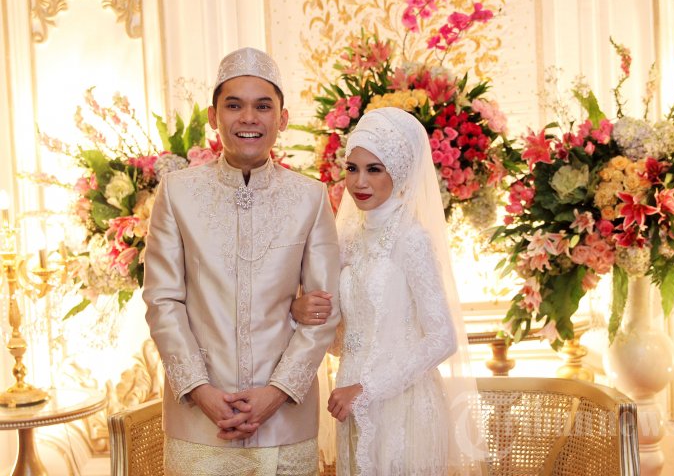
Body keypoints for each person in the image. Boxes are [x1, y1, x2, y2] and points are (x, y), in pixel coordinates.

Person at [143, 47, 341, 475]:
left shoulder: (310, 197)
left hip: (285, 421)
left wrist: (278, 391)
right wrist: (199, 390)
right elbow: (162, 301)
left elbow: (324, 310)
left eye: (262, 106)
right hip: (198, 422)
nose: (248, 118)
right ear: (213, 116)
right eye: (234, 105)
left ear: (282, 119)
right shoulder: (177, 193)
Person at [290, 107, 488, 475]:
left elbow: (442, 338)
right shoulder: (348, 238)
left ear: (398, 171)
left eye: (374, 169)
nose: (359, 182)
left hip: (403, 407)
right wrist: (300, 310)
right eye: (352, 168)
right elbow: (343, 335)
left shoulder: (411, 239)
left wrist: (367, 389)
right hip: (349, 400)